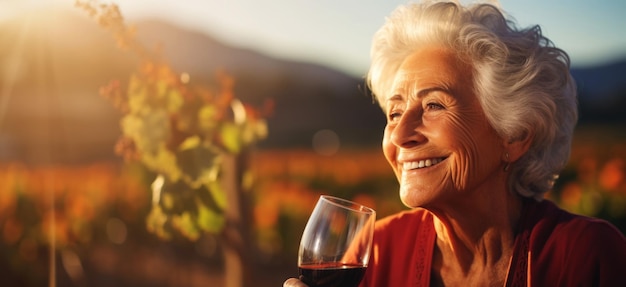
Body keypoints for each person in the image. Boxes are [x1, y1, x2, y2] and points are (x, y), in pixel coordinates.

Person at [284, 0, 626, 286]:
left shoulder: (584, 256)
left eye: (434, 105)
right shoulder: (375, 251)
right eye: (394, 112)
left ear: (516, 134)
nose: (401, 136)